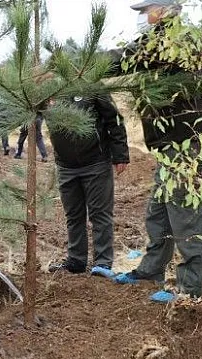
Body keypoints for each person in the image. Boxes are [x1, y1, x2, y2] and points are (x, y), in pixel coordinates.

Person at [113, 0, 202, 303]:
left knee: (186, 218)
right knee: (158, 215)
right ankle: (151, 269)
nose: (142, 18)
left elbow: (122, 59)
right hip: (169, 147)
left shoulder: (172, 41)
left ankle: (191, 291)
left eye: (146, 11)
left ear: (167, 9)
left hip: (186, 148)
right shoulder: (160, 43)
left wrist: (78, 64)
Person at [45, 94, 129, 277]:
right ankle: (76, 260)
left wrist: (120, 154)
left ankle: (103, 263)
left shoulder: (91, 85)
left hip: (96, 162)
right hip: (66, 166)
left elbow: (114, 118)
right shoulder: (48, 90)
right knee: (73, 215)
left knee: (100, 213)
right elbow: (20, 111)